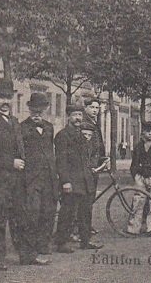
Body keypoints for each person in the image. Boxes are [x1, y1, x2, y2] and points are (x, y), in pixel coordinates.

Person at [0, 77, 43, 269]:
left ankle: (27, 256)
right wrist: (11, 162)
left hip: (17, 182)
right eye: (2, 97)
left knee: (22, 220)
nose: (6, 102)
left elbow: (21, 148)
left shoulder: (14, 122)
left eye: (9, 98)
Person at [53, 106, 103, 252]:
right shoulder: (62, 136)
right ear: (68, 116)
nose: (78, 118)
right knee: (67, 212)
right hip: (72, 180)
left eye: (80, 115)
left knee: (85, 212)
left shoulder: (82, 135)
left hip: (85, 179)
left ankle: (85, 241)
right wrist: (65, 181)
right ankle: (61, 243)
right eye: (75, 115)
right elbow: (61, 161)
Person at [19, 92, 57, 257]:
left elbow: (49, 149)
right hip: (31, 176)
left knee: (48, 211)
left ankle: (43, 243)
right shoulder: (22, 128)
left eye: (41, 109)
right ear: (29, 109)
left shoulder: (49, 127)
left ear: (46, 109)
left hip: (48, 176)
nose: (37, 113)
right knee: (32, 211)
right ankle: (30, 246)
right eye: (34, 109)